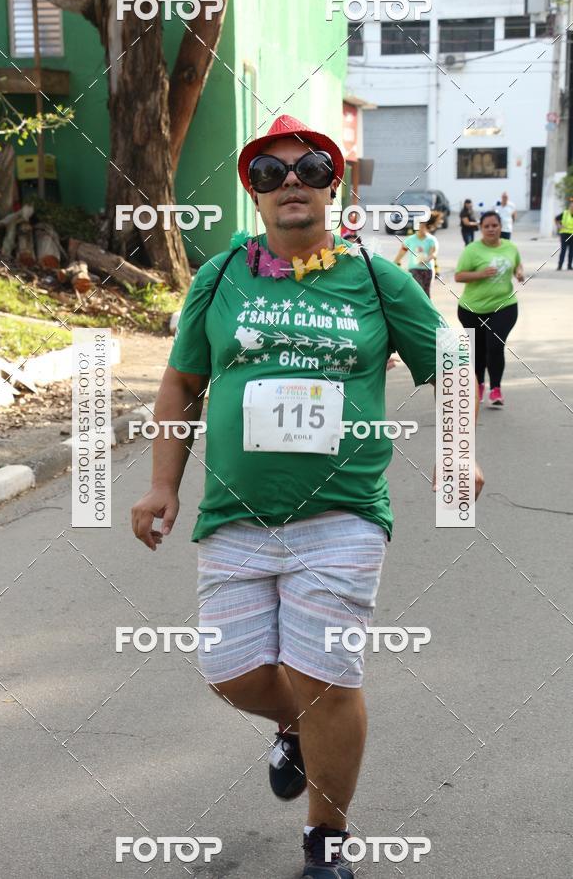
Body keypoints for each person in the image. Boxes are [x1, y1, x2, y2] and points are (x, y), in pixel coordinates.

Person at [131, 114, 483, 878]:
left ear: (334, 183)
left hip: (342, 515)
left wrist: (458, 451)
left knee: (329, 678)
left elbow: (451, 364)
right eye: (270, 172)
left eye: (309, 167)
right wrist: (163, 483)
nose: (291, 180)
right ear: (254, 194)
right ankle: (295, 728)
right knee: (228, 672)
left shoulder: (375, 277)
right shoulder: (221, 275)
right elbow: (183, 382)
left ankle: (326, 844)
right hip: (233, 516)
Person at [455, 211, 524, 406]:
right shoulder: (472, 250)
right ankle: (479, 385)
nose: (491, 229)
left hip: (504, 305)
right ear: (481, 228)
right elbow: (459, 276)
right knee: (478, 349)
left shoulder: (510, 247)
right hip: (472, 309)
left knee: (495, 346)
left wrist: (519, 273)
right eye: (487, 226)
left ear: (501, 227)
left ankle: (496, 389)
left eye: (495, 225)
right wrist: (481, 274)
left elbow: (518, 265)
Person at [393, 210, 442, 297]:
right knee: (416, 294)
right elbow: (401, 253)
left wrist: (425, 259)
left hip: (427, 270)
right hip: (414, 269)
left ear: (427, 227)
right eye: (419, 226)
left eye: (423, 226)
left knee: (426, 294)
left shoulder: (431, 240)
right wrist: (394, 263)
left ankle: (426, 310)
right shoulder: (410, 240)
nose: (421, 228)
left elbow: (433, 254)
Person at [554, 197, 573, 270]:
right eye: (571, 206)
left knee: (571, 251)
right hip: (564, 234)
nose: (572, 208)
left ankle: (569, 266)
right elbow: (556, 219)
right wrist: (559, 226)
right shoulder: (565, 213)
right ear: (569, 207)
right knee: (563, 250)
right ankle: (560, 265)